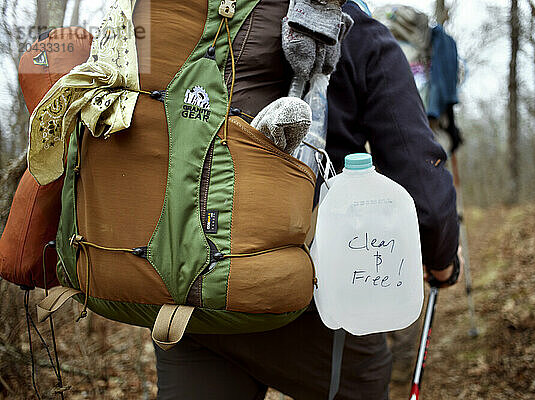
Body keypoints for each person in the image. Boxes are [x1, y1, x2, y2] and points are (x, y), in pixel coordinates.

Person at [152, 1, 460, 399]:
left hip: (192, 289)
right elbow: (423, 184)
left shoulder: (205, 20)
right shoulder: (360, 32)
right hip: (312, 297)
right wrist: (442, 261)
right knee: (363, 381)